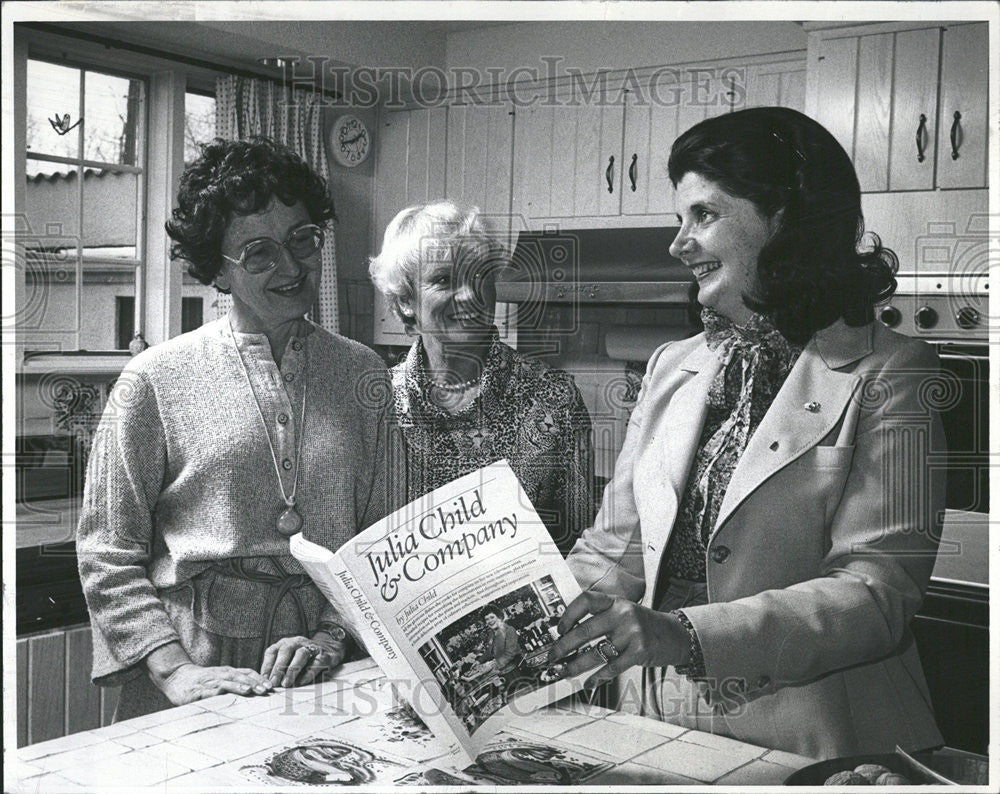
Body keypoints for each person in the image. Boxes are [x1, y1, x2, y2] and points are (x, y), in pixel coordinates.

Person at [550, 107, 946, 760]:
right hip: (656, 730)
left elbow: (875, 596)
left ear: (781, 219)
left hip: (819, 747)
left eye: (703, 215)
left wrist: (684, 634)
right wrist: (508, 620)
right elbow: (612, 554)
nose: (678, 244)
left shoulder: (892, 373)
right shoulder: (673, 366)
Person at [77, 137, 397, 719]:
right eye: (258, 252)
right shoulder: (154, 380)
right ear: (215, 270)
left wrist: (328, 638)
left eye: (303, 240)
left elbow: (379, 537)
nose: (292, 267)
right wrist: (174, 669)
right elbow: (106, 552)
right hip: (193, 666)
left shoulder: (363, 375)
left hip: (319, 671)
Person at [369, 200, 594, 555]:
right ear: (406, 301)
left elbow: (580, 543)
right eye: (444, 279)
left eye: (479, 276)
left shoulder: (553, 398)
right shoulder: (377, 406)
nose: (470, 295)